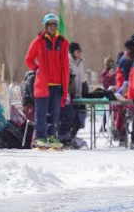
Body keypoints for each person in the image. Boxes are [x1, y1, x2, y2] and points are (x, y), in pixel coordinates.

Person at [25, 13, 70, 149]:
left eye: (54, 24)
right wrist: (37, 69)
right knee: (41, 113)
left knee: (54, 113)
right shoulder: (38, 42)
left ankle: (51, 136)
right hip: (43, 85)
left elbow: (65, 64)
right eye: (50, 25)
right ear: (46, 26)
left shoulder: (62, 42)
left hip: (57, 85)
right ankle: (40, 138)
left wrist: (65, 82)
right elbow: (28, 59)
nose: (52, 27)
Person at [58, 42, 87, 148]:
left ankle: (71, 136)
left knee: (80, 118)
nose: (80, 53)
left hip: (78, 94)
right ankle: (62, 136)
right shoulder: (67, 61)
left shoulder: (81, 62)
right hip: (69, 94)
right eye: (77, 51)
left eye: (80, 51)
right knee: (69, 116)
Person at [114, 39, 134, 145]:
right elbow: (126, 78)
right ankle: (120, 132)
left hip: (127, 88)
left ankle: (121, 133)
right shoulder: (126, 60)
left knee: (123, 113)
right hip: (123, 89)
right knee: (124, 112)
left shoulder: (129, 58)